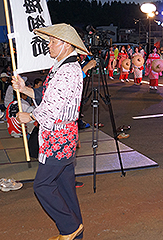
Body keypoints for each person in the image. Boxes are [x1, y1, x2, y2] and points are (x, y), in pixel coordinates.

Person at [12, 23, 88, 240]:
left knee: (42, 186)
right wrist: (24, 89)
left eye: (53, 42)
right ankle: (75, 231)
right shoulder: (64, 67)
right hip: (63, 136)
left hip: (58, 137)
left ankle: (69, 228)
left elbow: (51, 106)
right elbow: (47, 95)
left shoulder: (67, 71)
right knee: (65, 188)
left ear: (65, 44)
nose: (49, 46)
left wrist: (31, 116)